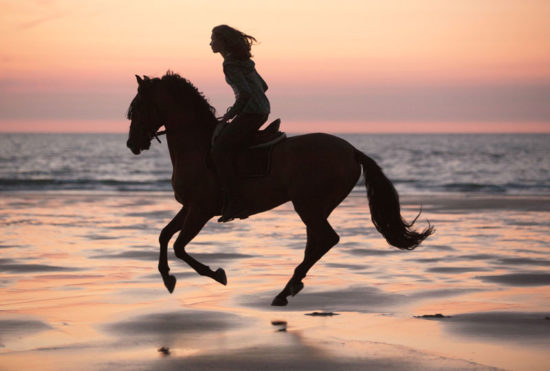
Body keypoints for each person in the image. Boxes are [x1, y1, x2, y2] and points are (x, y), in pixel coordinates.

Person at [210, 25, 270, 222]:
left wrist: (230, 114)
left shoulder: (230, 64)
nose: (210, 43)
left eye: (214, 39)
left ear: (224, 42)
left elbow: (244, 93)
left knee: (219, 150)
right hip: (261, 110)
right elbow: (263, 86)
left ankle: (236, 202)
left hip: (250, 112)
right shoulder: (245, 62)